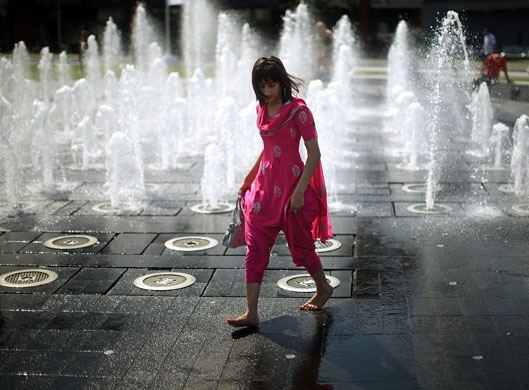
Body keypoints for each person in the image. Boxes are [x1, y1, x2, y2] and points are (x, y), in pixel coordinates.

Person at [227, 56, 334, 328]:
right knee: (255, 249)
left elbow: (314, 154)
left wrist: (299, 193)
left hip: (292, 189)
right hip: (264, 189)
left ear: (282, 82)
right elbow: (267, 146)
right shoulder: (262, 107)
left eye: (271, 85)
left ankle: (323, 287)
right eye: (262, 86)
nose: (267, 91)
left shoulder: (298, 111)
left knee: (301, 246)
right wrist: (250, 177)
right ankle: (251, 312)